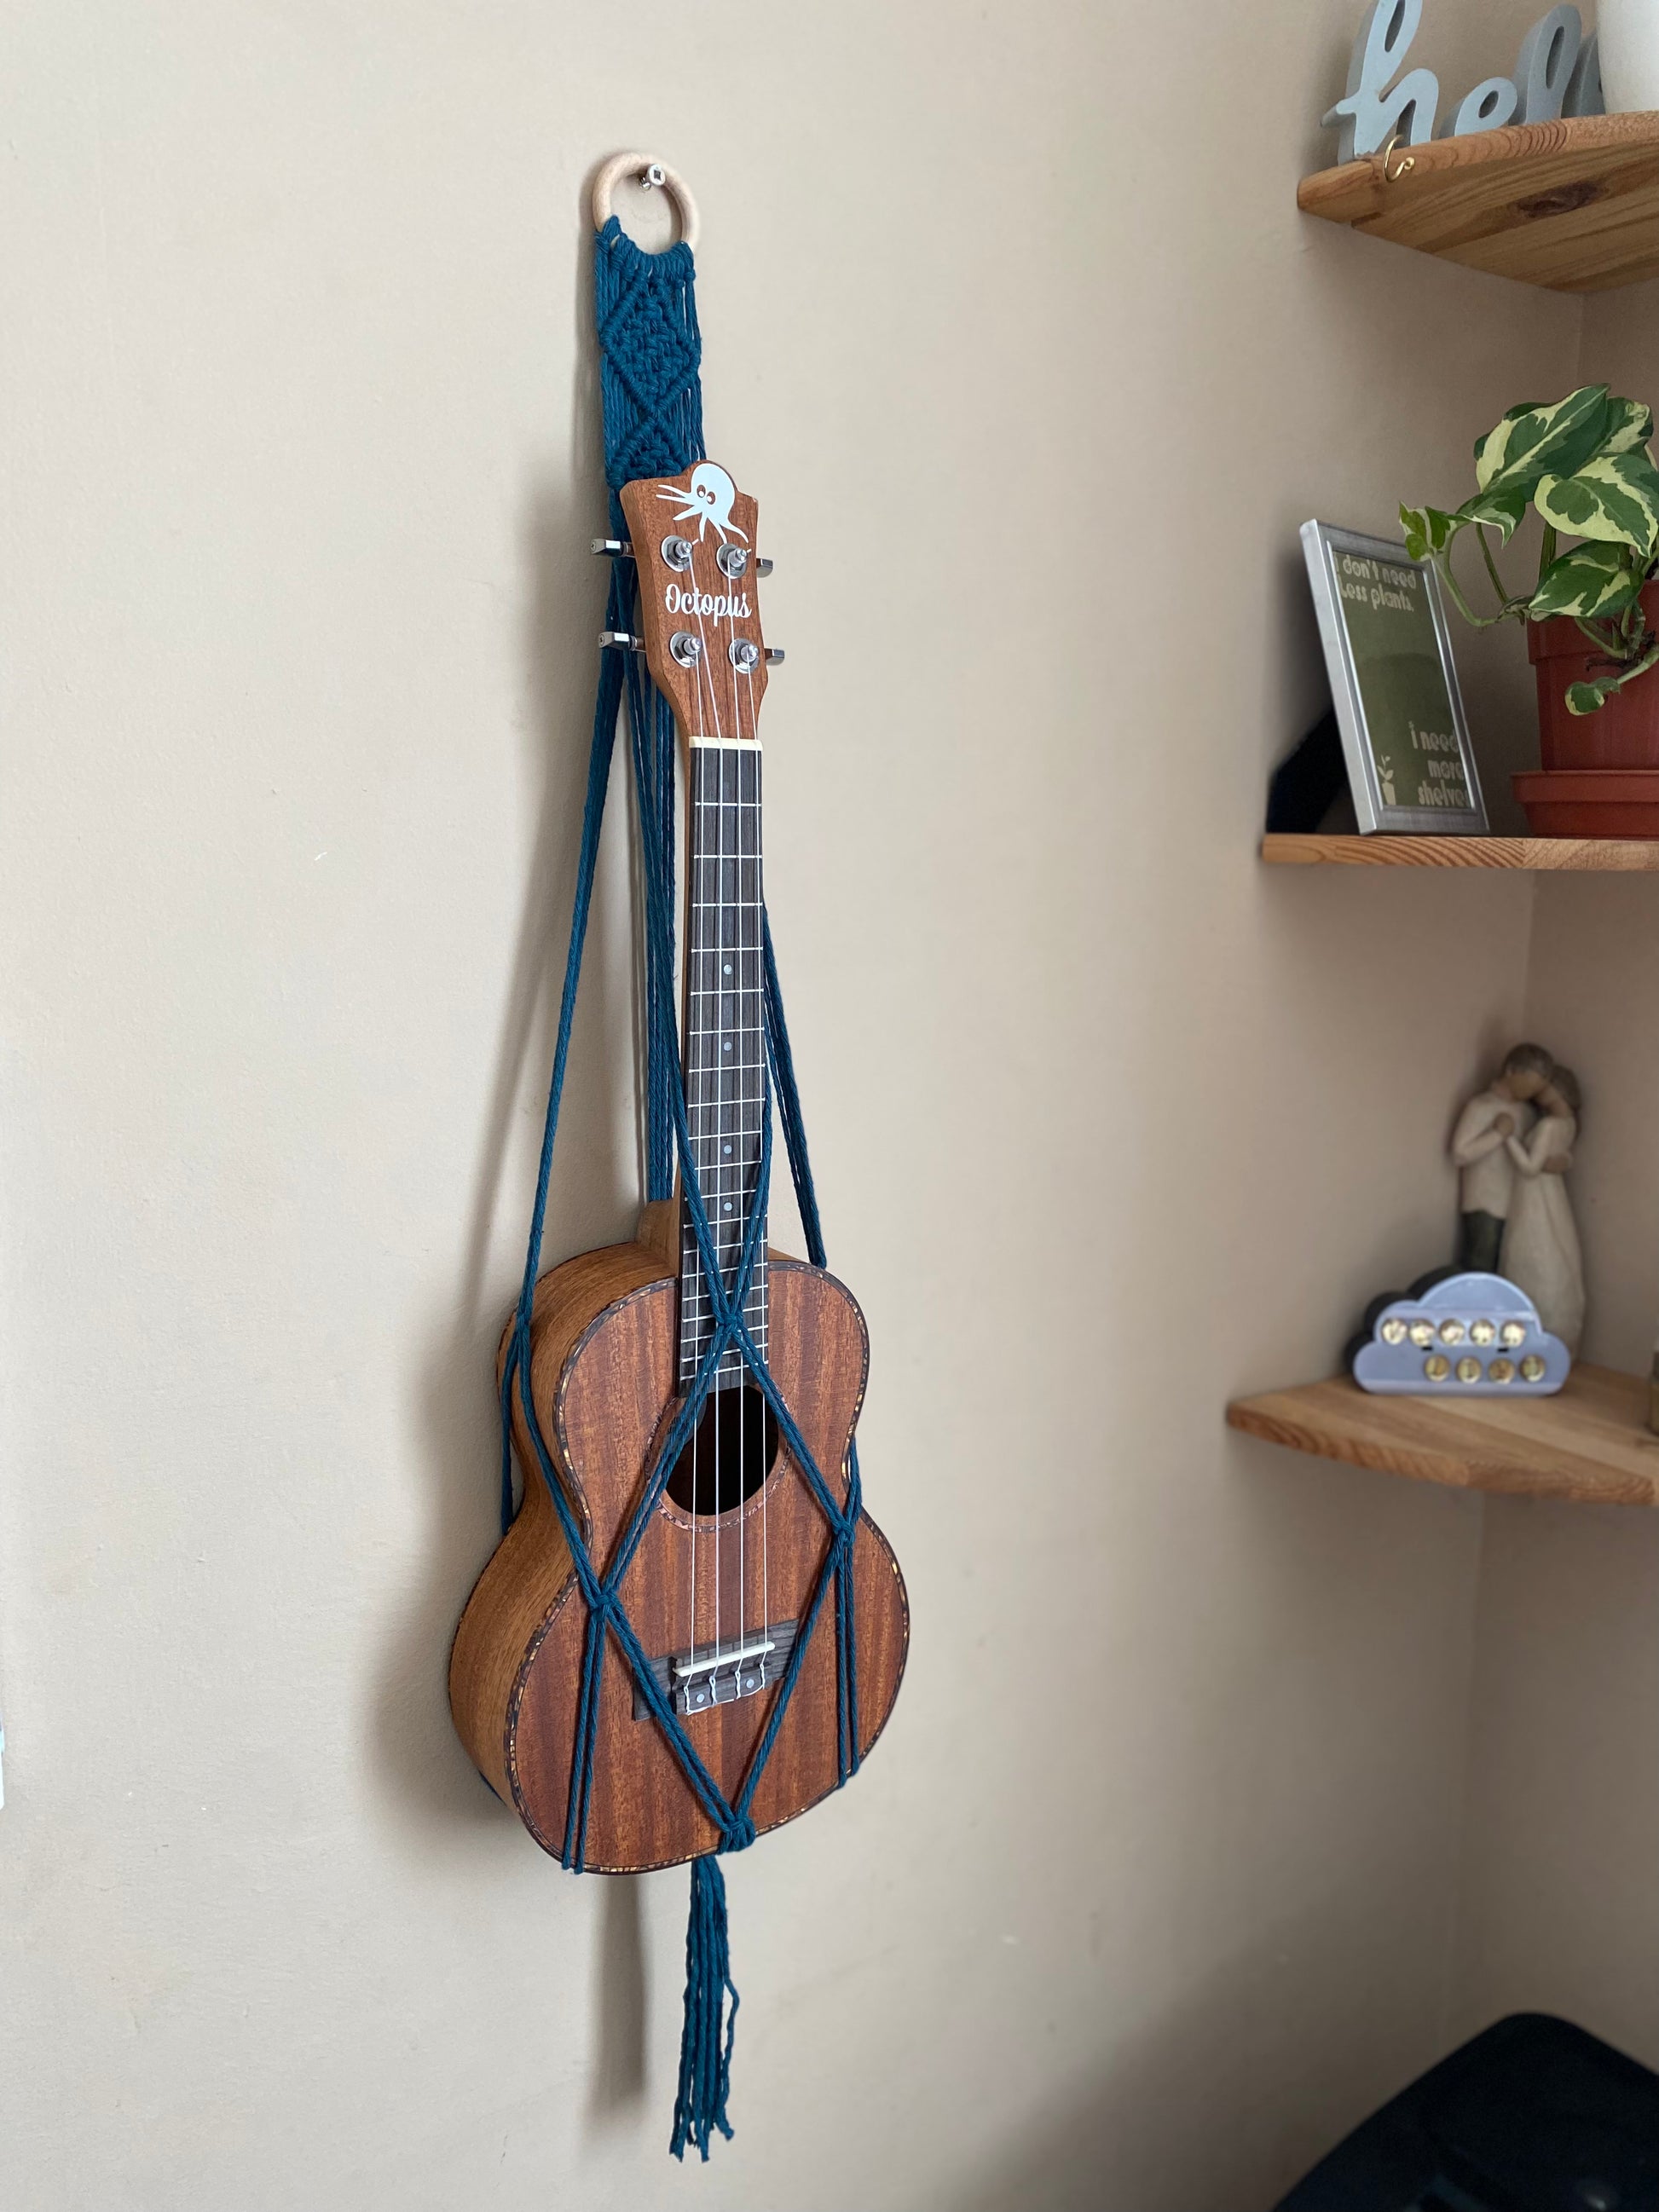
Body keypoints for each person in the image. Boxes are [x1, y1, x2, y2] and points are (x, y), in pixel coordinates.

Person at [1449, 1044, 1552, 1273]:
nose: (1532, 1092)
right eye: (1529, 1083)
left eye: (1538, 1087)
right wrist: (1497, 1135)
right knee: (1481, 1263)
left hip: (1518, 1201)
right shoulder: (1481, 1106)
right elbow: (1459, 1154)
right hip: (1485, 1201)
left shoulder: (1528, 1113)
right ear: (1511, 1071)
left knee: (1510, 1266)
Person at [1503, 1066, 1584, 1355]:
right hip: (1554, 1194)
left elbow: (1529, 1168)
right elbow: (1560, 1159)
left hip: (1534, 1194)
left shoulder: (1549, 1125)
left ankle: (1534, 1332)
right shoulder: (1569, 1123)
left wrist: (1508, 1137)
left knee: (1532, 1252)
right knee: (1557, 1251)